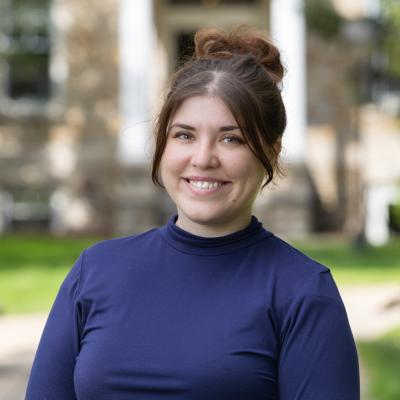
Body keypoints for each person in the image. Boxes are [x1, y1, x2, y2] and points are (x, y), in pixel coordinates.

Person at [25, 26, 360, 399]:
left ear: (273, 150)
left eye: (231, 138)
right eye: (184, 135)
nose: (202, 159)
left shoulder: (302, 292)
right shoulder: (96, 271)